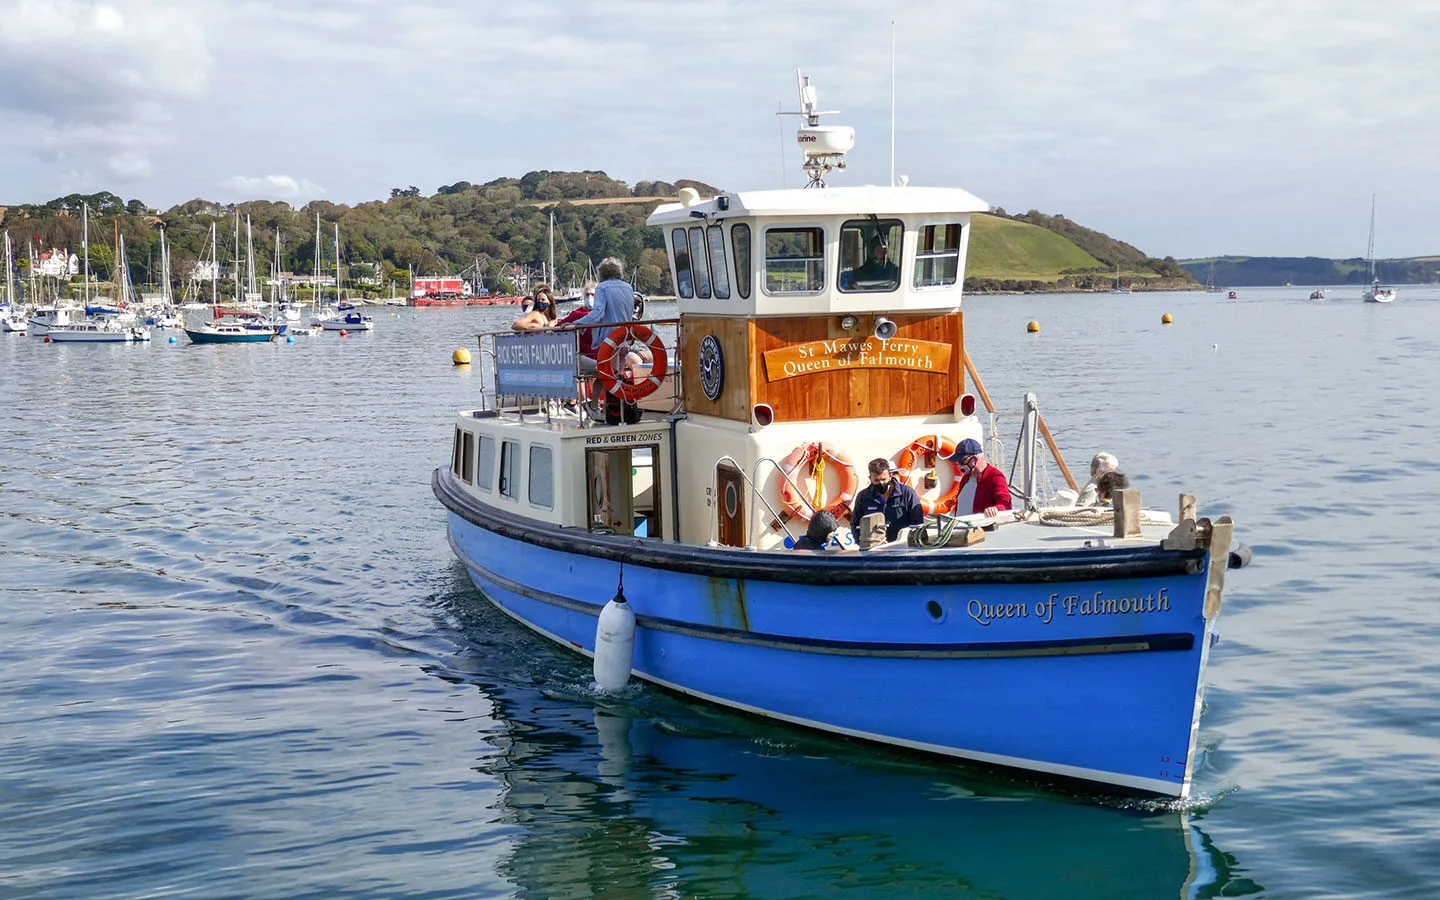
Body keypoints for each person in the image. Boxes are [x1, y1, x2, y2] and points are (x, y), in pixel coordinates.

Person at [849, 458, 925, 543]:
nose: (881, 483)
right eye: (876, 480)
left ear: (890, 475)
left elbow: (917, 523)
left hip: (903, 548)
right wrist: (862, 543)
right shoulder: (863, 497)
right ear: (870, 478)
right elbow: (855, 524)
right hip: (873, 549)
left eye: (883, 479)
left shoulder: (907, 493)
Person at [946, 438, 1012, 518]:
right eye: (958, 462)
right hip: (962, 527)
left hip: (980, 528)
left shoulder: (995, 477)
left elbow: (1005, 504)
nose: (959, 465)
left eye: (962, 461)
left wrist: (995, 509)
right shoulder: (965, 478)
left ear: (974, 459)